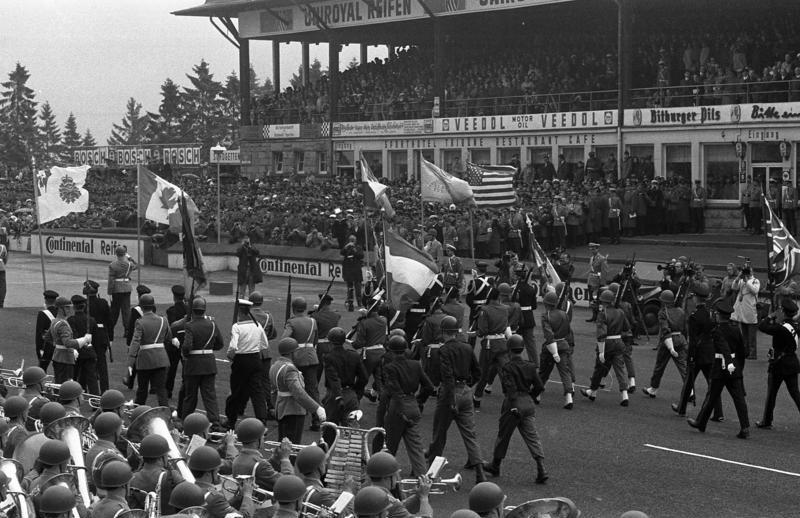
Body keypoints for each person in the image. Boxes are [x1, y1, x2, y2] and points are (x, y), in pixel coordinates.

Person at [427, 316, 486, 483]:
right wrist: (467, 387)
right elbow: (477, 372)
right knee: (470, 434)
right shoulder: (467, 347)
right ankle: (480, 471)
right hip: (465, 391)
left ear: (444, 332)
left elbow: (446, 376)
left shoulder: (443, 350)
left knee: (439, 434)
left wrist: (451, 398)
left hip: (449, 394)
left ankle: (432, 471)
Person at [484, 334, 548, 484]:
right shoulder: (530, 366)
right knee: (532, 437)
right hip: (527, 402)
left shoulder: (508, 367)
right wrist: (530, 397)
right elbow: (540, 386)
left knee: (503, 435)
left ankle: (496, 465)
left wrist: (514, 404)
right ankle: (541, 468)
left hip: (513, 403)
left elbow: (510, 388)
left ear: (509, 350)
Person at [687, 298, 750, 438]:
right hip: (734, 368)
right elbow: (742, 351)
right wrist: (739, 368)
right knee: (739, 399)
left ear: (718, 315)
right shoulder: (735, 329)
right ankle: (745, 427)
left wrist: (729, 362)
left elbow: (722, 347)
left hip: (720, 368)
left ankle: (701, 422)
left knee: (711, 397)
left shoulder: (717, 331)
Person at [383, 335, 434, 477]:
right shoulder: (415, 365)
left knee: (390, 447)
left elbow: (395, 391)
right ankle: (423, 480)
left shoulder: (390, 367)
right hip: (413, 404)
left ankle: (386, 480)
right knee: (416, 448)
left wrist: (401, 410)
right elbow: (429, 386)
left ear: (391, 351)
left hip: (398, 408)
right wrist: (418, 401)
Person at [672, 284, 723, 420]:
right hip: (710, 351)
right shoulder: (711, 314)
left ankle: (682, 408)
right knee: (713, 384)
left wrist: (691, 356)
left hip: (698, 353)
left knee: (689, 382)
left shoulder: (694, 316)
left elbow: (693, 340)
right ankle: (718, 412)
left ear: (696, 298)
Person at [270, 337, 326, 443]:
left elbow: (273, 392)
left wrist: (277, 407)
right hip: (293, 411)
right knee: (292, 447)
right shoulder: (289, 369)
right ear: (292, 353)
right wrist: (316, 408)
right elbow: (299, 393)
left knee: (283, 445)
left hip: (282, 409)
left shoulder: (275, 366)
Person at [755, 298, 800, 429]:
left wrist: (770, 316)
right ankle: (766, 420)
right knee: (795, 393)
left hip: (779, 364)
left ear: (784, 312)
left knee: (772, 394)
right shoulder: (794, 326)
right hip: (792, 362)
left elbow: (762, 326)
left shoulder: (781, 328)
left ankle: (767, 420)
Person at [580, 290, 631, 405]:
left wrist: (602, 352)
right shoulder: (621, 312)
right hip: (618, 342)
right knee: (620, 370)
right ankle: (625, 395)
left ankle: (592, 391)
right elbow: (626, 328)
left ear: (604, 301)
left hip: (607, 344)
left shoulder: (603, 314)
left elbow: (601, 334)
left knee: (599, 368)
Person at [181, 297, 224, 429]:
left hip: (193, 364)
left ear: (192, 310)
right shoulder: (212, 324)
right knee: (210, 396)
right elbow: (220, 344)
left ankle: (186, 421)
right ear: (204, 310)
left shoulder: (189, 325)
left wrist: (186, 354)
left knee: (190, 396)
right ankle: (215, 422)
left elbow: (187, 346)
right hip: (209, 363)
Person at [225, 299, 268, 428]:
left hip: (241, 361)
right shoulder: (257, 325)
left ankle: (231, 421)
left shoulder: (237, 327)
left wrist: (230, 356)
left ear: (240, 312)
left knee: (236, 391)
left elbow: (233, 347)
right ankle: (262, 421)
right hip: (255, 359)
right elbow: (265, 344)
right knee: (257, 392)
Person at [282, 297, 322, 430]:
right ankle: (317, 419)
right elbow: (315, 340)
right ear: (305, 308)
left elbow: (284, 340)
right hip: (311, 356)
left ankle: (294, 413)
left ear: (293, 308)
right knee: (312, 389)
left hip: (296, 357)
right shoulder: (312, 321)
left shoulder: (291, 322)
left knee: (294, 387)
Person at [126, 294, 171, 407]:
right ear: (153, 305)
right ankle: (166, 414)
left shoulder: (140, 322)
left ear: (141, 307)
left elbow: (135, 342)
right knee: (161, 391)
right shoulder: (163, 320)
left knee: (142, 390)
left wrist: (130, 361)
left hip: (145, 359)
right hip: (161, 358)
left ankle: (138, 412)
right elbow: (168, 337)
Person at [642, 290, 688, 398]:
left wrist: (670, 347)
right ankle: (689, 391)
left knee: (660, 366)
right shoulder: (681, 311)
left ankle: (653, 389)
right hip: (681, 338)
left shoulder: (663, 312)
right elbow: (685, 328)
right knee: (683, 368)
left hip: (668, 340)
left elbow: (665, 330)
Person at [365, 451, 432, 518]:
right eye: (395, 475)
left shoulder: (365, 494)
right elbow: (397, 508)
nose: (397, 478)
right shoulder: (387, 500)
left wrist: (418, 496)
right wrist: (424, 497)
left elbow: (400, 509)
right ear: (386, 478)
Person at [231, 418, 293, 490]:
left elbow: (263, 471)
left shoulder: (237, 458)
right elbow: (289, 483)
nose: (264, 438)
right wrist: (285, 459)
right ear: (257, 441)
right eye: (263, 436)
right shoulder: (260, 464)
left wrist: (275, 458)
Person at [323, 327, 368, 425]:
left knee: (330, 430)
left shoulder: (329, 357)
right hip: (350, 394)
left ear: (330, 341)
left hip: (334, 395)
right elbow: (364, 377)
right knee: (349, 432)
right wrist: (356, 393)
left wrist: (338, 396)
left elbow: (334, 379)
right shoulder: (354, 355)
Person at [473, 288, 509, 407]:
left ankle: (477, 397)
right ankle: (510, 396)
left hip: (489, 345)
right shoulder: (505, 309)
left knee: (483, 373)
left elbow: (483, 331)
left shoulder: (484, 310)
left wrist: (476, 332)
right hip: (502, 343)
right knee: (504, 373)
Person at [538, 292, 575, 409]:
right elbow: (568, 330)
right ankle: (569, 397)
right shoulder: (564, 314)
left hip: (550, 347)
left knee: (544, 372)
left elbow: (549, 335)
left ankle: (537, 394)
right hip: (563, 344)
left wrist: (554, 352)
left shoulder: (546, 316)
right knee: (565, 372)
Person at [49, 297, 92, 383]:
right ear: (60, 309)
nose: (69, 309)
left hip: (58, 356)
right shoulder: (62, 324)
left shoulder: (54, 321)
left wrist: (70, 349)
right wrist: (84, 339)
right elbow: (68, 342)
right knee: (66, 387)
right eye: (67, 307)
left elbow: (49, 338)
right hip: (65, 359)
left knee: (59, 384)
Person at [352, 305, 388, 402]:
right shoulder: (383, 321)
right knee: (380, 381)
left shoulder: (364, 323)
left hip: (369, 355)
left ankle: (354, 405)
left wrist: (351, 343)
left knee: (361, 380)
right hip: (381, 353)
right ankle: (384, 401)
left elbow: (359, 343)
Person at [67, 295, 100, 396]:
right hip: (89, 351)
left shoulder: (71, 320)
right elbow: (96, 339)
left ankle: (73, 396)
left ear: (74, 307)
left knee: (73, 376)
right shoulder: (91, 320)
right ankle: (95, 399)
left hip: (77, 352)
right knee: (92, 378)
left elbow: (73, 337)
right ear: (84, 306)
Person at [84, 280, 112, 392]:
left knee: (89, 364)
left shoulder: (84, 304)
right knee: (102, 365)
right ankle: (105, 389)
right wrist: (110, 337)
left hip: (89, 335)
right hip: (101, 334)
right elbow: (109, 321)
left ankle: (90, 389)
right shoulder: (103, 302)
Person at [107, 245, 137, 341]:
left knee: (114, 310)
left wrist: (109, 291)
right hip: (127, 287)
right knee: (126, 310)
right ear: (124, 254)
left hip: (116, 288)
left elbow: (111, 280)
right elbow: (137, 265)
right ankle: (127, 330)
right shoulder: (129, 264)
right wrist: (130, 257)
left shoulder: (112, 265)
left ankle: (110, 328)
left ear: (116, 254)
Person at [511, 265, 538, 366]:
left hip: (517, 318)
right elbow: (534, 306)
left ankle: (514, 362)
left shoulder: (514, 289)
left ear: (517, 276)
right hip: (528, 317)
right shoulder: (531, 289)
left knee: (514, 342)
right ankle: (535, 362)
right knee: (530, 343)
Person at [732, 264, 760, 359]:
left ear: (752, 272)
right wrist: (738, 277)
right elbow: (734, 287)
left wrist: (747, 281)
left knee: (751, 335)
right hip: (742, 310)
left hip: (750, 310)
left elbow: (754, 290)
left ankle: (753, 353)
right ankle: (745, 352)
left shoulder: (755, 281)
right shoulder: (742, 280)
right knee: (744, 335)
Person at [165, 284, 187, 399]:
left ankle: (168, 390)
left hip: (175, 342)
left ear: (174, 296)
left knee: (171, 369)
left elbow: (171, 327)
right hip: (186, 341)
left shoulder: (171, 310)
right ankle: (186, 388)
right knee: (186, 369)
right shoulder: (188, 309)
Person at [36, 290, 59, 371]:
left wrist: (39, 349)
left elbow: (39, 334)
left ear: (45, 300)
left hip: (47, 346)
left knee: (42, 369)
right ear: (55, 300)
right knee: (58, 370)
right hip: (59, 345)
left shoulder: (42, 314)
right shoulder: (59, 312)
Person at [341, 235, 365, 312]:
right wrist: (346, 246)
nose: (351, 241)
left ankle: (359, 302)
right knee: (349, 287)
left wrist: (354, 249)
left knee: (358, 287)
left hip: (356, 269)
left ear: (355, 240)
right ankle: (350, 301)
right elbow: (342, 253)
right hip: (348, 269)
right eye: (350, 240)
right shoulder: (346, 247)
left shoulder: (358, 247)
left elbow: (361, 255)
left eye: (353, 240)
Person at [586, 243, 608, 322]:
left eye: (594, 249)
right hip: (591, 281)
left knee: (598, 301)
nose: (592, 250)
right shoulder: (592, 258)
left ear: (597, 249)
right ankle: (594, 316)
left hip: (597, 282)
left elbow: (604, 271)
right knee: (592, 300)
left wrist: (602, 283)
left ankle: (599, 317)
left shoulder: (602, 259)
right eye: (591, 249)